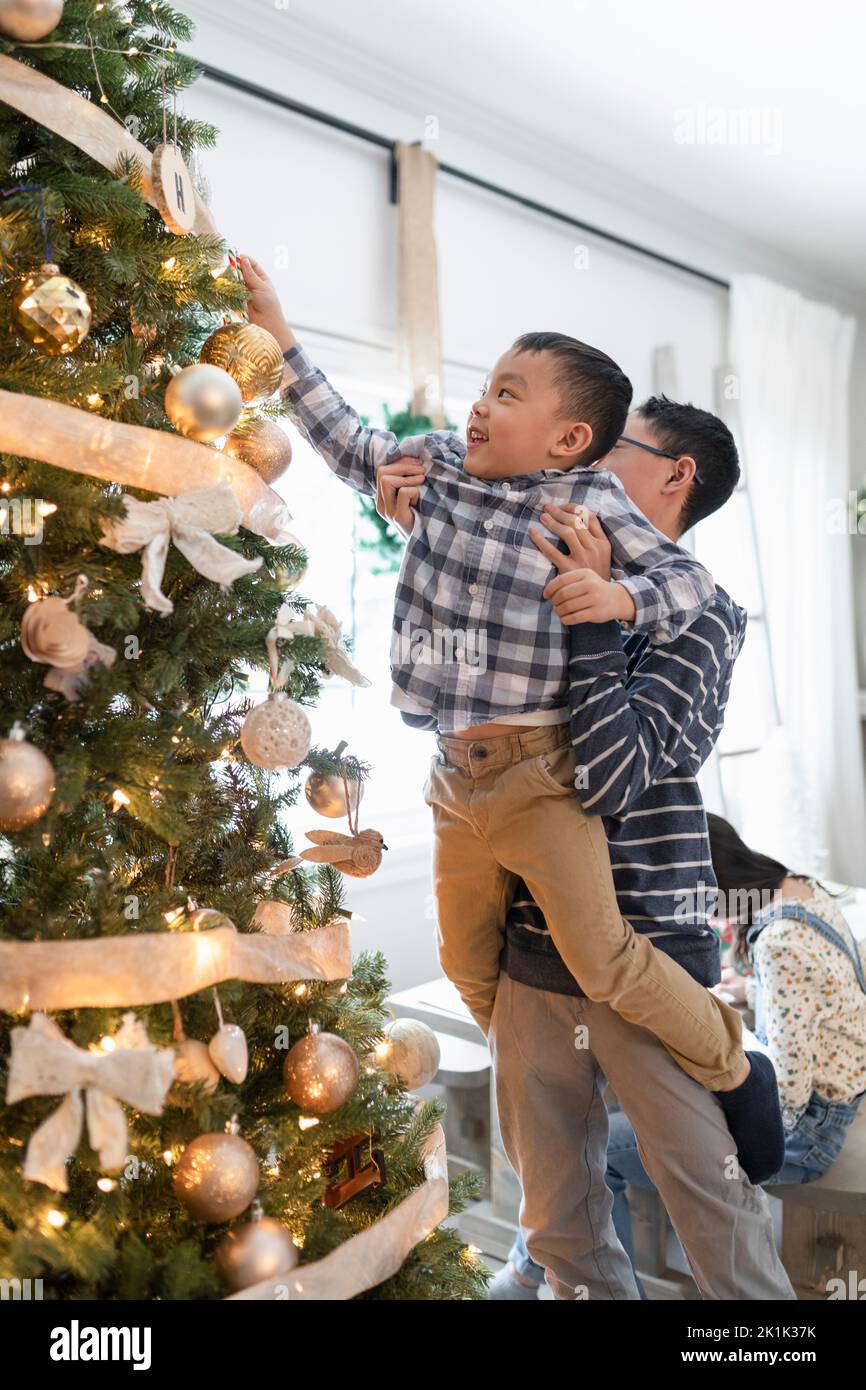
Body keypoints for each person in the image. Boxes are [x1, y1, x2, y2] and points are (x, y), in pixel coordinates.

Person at [240, 254, 762, 1118]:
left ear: (568, 441)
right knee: (462, 957)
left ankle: (731, 1060)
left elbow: (689, 586)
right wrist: (279, 332)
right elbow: (346, 443)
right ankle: (526, 1068)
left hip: (538, 775)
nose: (481, 403)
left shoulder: (586, 507)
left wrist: (617, 594)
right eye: (486, 386)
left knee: (602, 956)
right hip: (453, 774)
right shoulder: (438, 467)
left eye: (510, 393)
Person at [377, 396, 792, 1300]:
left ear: (676, 478)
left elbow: (613, 776)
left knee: (715, 1222)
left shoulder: (704, 613)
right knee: (559, 1225)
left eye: (618, 449)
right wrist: (421, 516)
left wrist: (597, 619)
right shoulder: (543, 555)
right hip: (533, 948)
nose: (589, 464)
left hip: (645, 946)